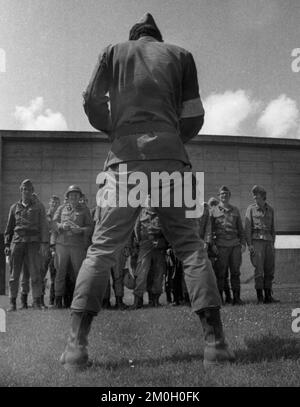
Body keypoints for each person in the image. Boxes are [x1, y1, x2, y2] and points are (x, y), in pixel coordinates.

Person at [60, 13, 234, 371]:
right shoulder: (181, 55)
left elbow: (91, 101)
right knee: (190, 248)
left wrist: (116, 132)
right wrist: (170, 142)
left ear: (134, 36)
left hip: (123, 160)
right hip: (172, 157)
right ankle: (215, 345)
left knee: (103, 248)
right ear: (157, 36)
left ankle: (76, 349)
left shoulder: (112, 52)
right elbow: (195, 115)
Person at [4, 179, 49, 311]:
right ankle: (12, 303)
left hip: (33, 243)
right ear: (21, 191)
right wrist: (7, 244)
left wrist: (45, 243)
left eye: (29, 189)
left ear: (32, 192)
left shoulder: (39, 207)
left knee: (35, 274)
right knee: (14, 275)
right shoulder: (14, 208)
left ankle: (36, 302)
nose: (26, 192)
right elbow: (9, 228)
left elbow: (44, 226)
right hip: (17, 243)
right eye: (24, 189)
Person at [52, 185, 93, 308]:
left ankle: (78, 300)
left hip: (77, 246)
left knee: (79, 273)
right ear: (68, 197)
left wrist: (80, 230)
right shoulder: (61, 208)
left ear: (80, 197)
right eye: (71, 195)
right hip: (62, 246)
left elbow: (90, 228)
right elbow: (53, 224)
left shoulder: (85, 210)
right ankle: (58, 300)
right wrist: (61, 226)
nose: (73, 197)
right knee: (60, 273)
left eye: (76, 195)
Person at [211, 186, 246, 305]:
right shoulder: (213, 211)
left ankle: (237, 298)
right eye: (222, 194)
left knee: (235, 272)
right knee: (221, 273)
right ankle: (220, 298)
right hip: (221, 245)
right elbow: (209, 231)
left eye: (226, 194)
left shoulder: (235, 210)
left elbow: (241, 229)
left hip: (235, 245)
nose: (224, 196)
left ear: (229, 195)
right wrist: (213, 245)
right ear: (218, 196)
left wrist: (243, 243)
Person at [245, 185, 279, 304]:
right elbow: (247, 228)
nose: (255, 200)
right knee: (259, 270)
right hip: (257, 242)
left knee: (269, 269)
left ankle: (268, 296)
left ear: (263, 197)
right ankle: (260, 297)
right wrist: (249, 244)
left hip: (269, 242)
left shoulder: (270, 209)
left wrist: (273, 244)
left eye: (257, 198)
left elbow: (273, 228)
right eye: (254, 198)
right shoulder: (250, 209)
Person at [133, 203, 168, 308]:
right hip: (145, 245)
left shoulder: (163, 213)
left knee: (158, 273)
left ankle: (155, 300)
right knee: (141, 274)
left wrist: (162, 242)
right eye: (148, 197)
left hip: (159, 247)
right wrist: (139, 244)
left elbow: (168, 231)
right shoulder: (140, 212)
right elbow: (135, 229)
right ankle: (138, 300)